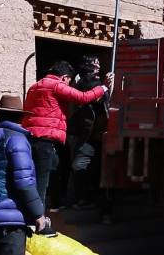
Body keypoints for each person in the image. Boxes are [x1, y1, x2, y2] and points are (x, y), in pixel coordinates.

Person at [0, 95, 55, 255]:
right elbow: (24, 181)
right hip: (9, 221)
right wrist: (38, 213)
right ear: (21, 117)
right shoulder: (16, 140)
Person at [23, 60, 113, 207]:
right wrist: (103, 87)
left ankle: (55, 203)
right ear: (64, 77)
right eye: (69, 81)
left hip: (32, 136)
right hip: (47, 137)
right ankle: (38, 214)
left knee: (51, 170)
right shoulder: (56, 85)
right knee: (44, 177)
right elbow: (83, 97)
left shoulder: (35, 86)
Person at [68, 55, 112, 220]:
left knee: (104, 175)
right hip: (87, 136)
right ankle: (84, 199)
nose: (98, 67)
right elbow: (92, 95)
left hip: (104, 136)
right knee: (79, 166)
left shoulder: (99, 83)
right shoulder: (82, 83)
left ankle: (106, 211)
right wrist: (105, 87)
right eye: (94, 65)